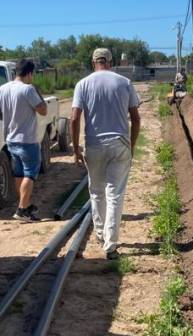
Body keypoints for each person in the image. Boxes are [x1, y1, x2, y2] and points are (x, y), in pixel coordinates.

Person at [71, 48, 141, 260]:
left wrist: (75, 148)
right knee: (114, 194)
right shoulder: (124, 83)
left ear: (93, 62)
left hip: (93, 145)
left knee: (96, 191)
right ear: (110, 62)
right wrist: (132, 145)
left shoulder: (82, 84)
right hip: (119, 144)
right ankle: (110, 245)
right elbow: (136, 119)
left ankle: (101, 235)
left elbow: (74, 119)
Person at [0, 59, 48, 223]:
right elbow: (43, 110)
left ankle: (25, 203)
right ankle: (22, 209)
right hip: (27, 139)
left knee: (19, 174)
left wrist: (10, 120)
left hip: (10, 139)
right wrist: (37, 93)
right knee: (30, 174)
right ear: (29, 73)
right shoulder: (28, 90)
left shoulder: (2, 89)